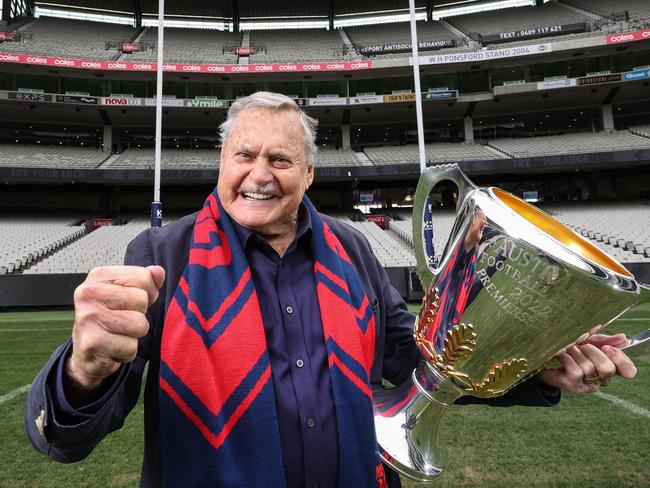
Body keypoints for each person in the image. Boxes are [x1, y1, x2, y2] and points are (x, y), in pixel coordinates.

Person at [25, 92, 637, 488]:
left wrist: (533, 363)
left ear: (310, 172)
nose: (259, 175)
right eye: (244, 155)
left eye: (281, 160)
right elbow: (69, 436)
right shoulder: (164, 256)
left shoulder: (353, 250)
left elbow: (420, 361)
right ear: (221, 162)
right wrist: (84, 369)